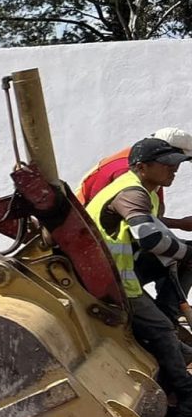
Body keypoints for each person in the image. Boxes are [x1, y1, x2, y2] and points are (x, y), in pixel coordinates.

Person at [86, 137, 192, 417]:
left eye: (177, 164)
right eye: (167, 165)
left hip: (119, 272)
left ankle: (169, 316)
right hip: (114, 281)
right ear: (142, 167)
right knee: (162, 332)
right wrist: (184, 252)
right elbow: (150, 238)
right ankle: (186, 398)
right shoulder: (132, 191)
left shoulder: (147, 190)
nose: (175, 170)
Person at [79, 127, 192, 322]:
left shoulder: (149, 172)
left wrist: (179, 226)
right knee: (181, 254)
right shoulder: (129, 174)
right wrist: (180, 236)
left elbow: (145, 218)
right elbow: (144, 232)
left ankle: (168, 314)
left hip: (124, 248)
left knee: (180, 252)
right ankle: (167, 315)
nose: (176, 168)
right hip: (105, 262)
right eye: (172, 160)